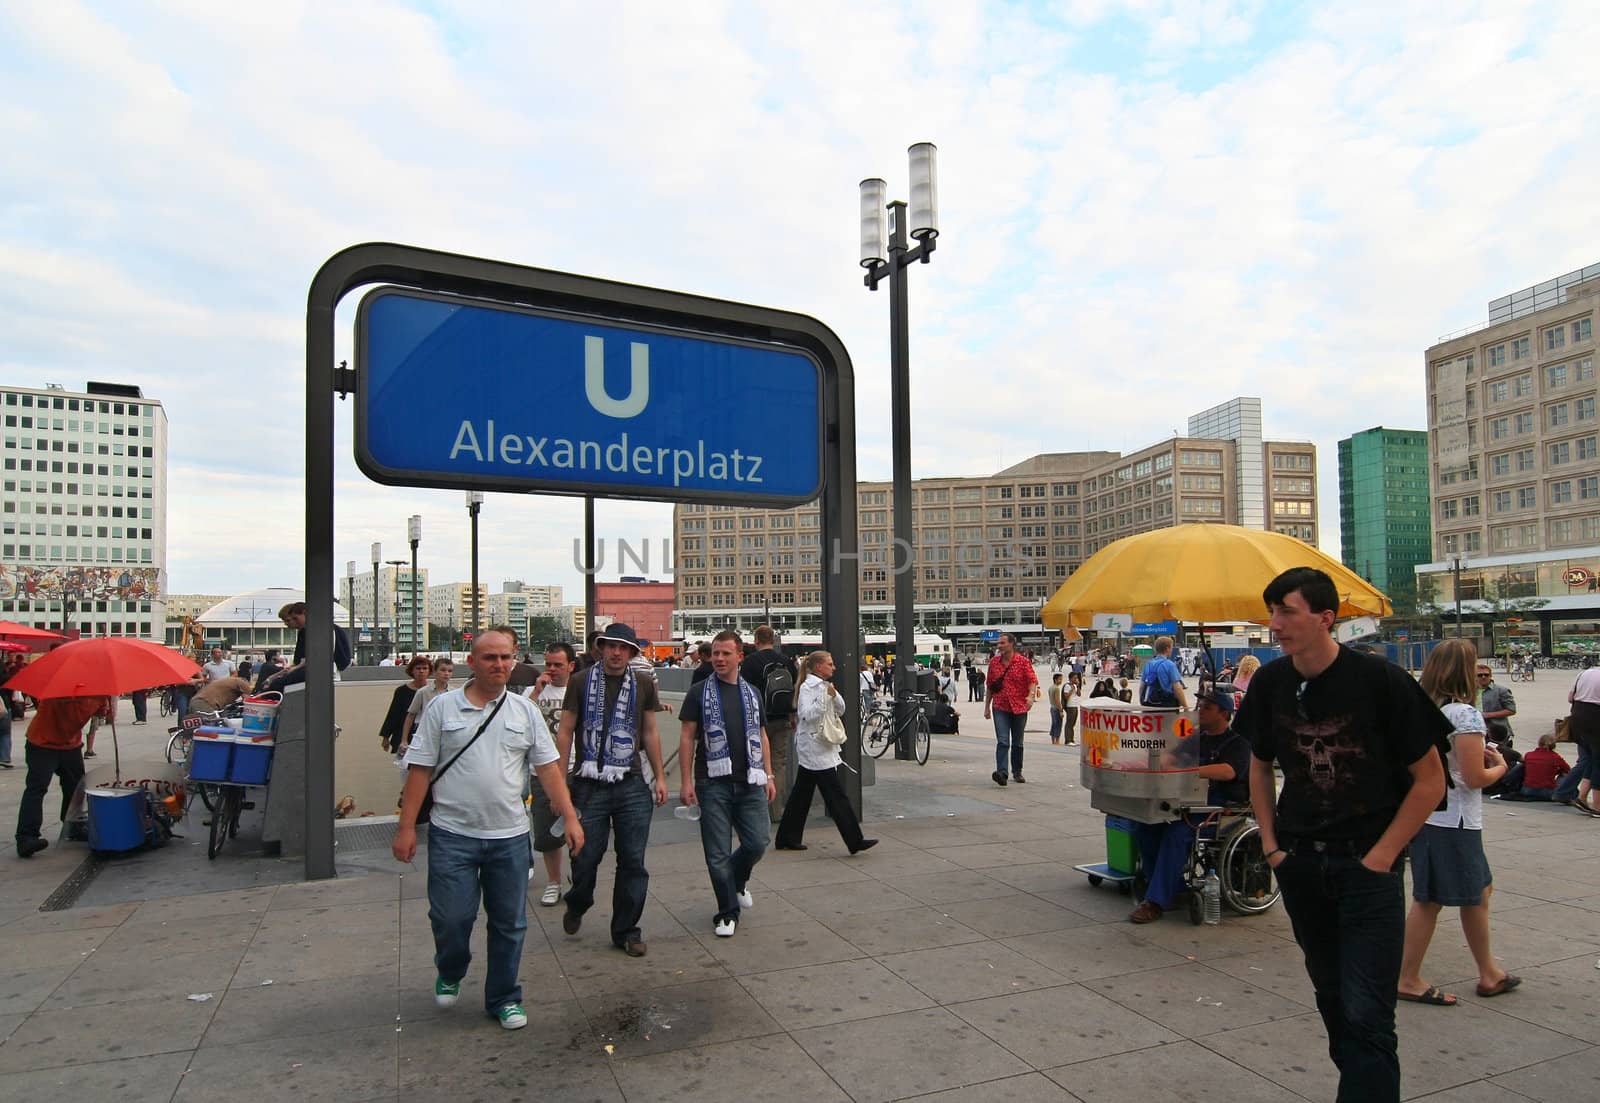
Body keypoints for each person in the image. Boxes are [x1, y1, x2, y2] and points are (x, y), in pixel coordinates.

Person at [1238, 567, 1449, 1101]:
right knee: (1333, 1000)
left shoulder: (1381, 682)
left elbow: (1430, 781)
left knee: (1368, 1013)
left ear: (1325, 617)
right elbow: (1259, 766)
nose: (1275, 623)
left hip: (1365, 868)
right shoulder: (1270, 682)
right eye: (1272, 611)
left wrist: (1381, 856)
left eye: (1287, 610)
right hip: (1302, 864)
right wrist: (1271, 845)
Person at [393, 630, 582, 1031]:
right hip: (452, 835)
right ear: (473, 662)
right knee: (451, 918)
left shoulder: (524, 711)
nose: (499, 665)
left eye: (506, 658)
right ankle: (451, 967)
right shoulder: (442, 709)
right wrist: (406, 828)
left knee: (509, 923)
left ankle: (503, 997)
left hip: (509, 836)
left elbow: (548, 768)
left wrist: (569, 816)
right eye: (490, 658)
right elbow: (421, 770)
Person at [1397, 639, 1518, 1006]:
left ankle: (1489, 971)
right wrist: (1500, 766)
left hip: (1430, 815)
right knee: (1430, 899)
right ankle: (1406, 976)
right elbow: (1473, 776)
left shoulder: (1420, 710)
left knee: (1477, 892)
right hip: (1455, 819)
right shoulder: (1463, 714)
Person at [556, 623, 668, 957]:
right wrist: (560, 785)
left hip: (631, 782)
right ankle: (578, 901)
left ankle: (626, 931)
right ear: (600, 649)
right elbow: (565, 732)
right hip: (589, 784)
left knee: (633, 860)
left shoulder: (644, 684)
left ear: (632, 653)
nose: (616, 653)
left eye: (623, 648)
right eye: (610, 646)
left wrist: (660, 777)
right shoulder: (579, 682)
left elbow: (650, 732)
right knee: (585, 857)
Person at [680, 629, 775, 937]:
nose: (719, 659)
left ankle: (736, 880)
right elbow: (686, 737)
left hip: (750, 780)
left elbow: (762, 736)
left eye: (725, 654)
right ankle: (726, 912)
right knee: (717, 852)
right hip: (712, 783)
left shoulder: (752, 693)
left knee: (758, 842)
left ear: (739, 657)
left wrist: (769, 775)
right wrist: (686, 781)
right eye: (716, 654)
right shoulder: (699, 692)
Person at [1129, 688, 1252, 923]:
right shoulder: (1196, 738)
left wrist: (1190, 771)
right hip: (1186, 802)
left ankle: (1155, 902)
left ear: (1224, 714)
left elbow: (1228, 771)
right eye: (1200, 706)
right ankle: (1171, 887)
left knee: (1177, 834)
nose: (1200, 711)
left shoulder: (1238, 743)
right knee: (1145, 826)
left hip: (1218, 808)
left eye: (1208, 707)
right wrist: (1156, 763)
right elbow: (1171, 757)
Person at [774, 650, 877, 855]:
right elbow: (806, 715)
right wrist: (823, 699)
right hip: (814, 747)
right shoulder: (807, 687)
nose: (834, 667)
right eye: (830, 664)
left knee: (802, 794)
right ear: (819, 666)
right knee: (835, 795)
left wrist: (833, 695)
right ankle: (854, 839)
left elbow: (841, 709)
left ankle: (787, 837)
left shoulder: (824, 686)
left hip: (820, 746)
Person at [15, 695, 108, 857]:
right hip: (42, 743)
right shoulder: (58, 688)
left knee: (76, 788)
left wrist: (105, 709)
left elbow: (102, 716)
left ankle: (73, 826)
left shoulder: (100, 694)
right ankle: (26, 837)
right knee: (37, 788)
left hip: (70, 745)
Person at [527, 642, 577, 906]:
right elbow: (519, 721)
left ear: (570, 665)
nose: (552, 669)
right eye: (548, 664)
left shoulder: (579, 690)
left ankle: (578, 876)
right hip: (542, 773)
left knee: (579, 826)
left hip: (575, 769)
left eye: (558, 664)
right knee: (546, 831)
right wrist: (536, 693)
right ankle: (554, 881)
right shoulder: (532, 694)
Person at [740, 625, 797, 821]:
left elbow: (743, 690)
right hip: (781, 717)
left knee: (756, 762)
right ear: (772, 640)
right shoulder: (785, 661)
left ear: (756, 640)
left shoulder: (749, 662)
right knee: (778, 764)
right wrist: (793, 715)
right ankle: (775, 810)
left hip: (757, 720)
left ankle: (755, 808)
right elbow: (794, 689)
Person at [984, 632, 1039, 786]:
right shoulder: (994, 663)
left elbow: (1032, 680)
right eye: (998, 643)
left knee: (1018, 742)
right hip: (1000, 706)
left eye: (1002, 643)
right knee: (1002, 741)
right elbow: (990, 686)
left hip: (1019, 707)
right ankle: (1002, 773)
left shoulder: (1023, 662)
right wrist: (987, 707)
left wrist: (1030, 696)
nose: (999, 646)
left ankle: (1017, 771)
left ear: (1011, 644)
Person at [261, 602, 353, 689]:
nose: (288, 624)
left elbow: (307, 660)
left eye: (294, 619)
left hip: (321, 674)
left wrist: (276, 677)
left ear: (305, 613)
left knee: (277, 685)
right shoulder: (327, 628)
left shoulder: (313, 630)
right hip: (328, 672)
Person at [1554, 658, 1600, 814]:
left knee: (1588, 760)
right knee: (1598, 763)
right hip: (1596, 721)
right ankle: (1596, 806)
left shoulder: (1584, 673)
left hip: (1578, 720)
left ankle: (1581, 796)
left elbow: (1570, 698)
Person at [401, 658, 455, 753]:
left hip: (446, 733)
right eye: (443, 670)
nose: (446, 673)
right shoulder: (423, 692)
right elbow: (411, 715)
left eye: (449, 671)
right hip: (424, 733)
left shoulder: (455, 693)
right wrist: (404, 740)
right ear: (434, 671)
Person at [380, 655, 431, 756]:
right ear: (412, 670)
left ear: (429, 671)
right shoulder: (402, 691)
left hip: (427, 735)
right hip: (404, 735)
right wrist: (386, 737)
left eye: (425, 668)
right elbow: (393, 714)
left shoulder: (432, 691)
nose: (421, 671)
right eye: (418, 668)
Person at [1511, 732, 1570, 800]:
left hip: (1527, 790)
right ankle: (1563, 794)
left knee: (1522, 765)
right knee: (1565, 774)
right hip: (1547, 792)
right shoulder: (1555, 757)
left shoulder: (1529, 755)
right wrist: (1558, 771)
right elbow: (1568, 769)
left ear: (1539, 743)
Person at [1140, 636, 1190, 710]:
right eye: (1171, 648)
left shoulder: (1148, 664)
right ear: (1167, 649)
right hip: (1166, 705)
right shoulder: (1169, 665)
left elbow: (1142, 686)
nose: (1171, 650)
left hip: (1150, 704)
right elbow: (1177, 688)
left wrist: (1142, 702)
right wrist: (1185, 706)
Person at [1477, 663, 1517, 748]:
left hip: (1498, 734)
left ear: (1490, 676)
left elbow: (1511, 710)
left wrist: (1487, 715)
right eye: (1480, 675)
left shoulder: (1502, 690)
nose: (1483, 677)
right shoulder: (1470, 692)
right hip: (1478, 732)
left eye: (1486, 675)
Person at [1061, 672, 1081, 745]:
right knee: (1069, 723)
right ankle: (1068, 740)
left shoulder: (1075, 686)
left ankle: (1071, 739)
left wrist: (1078, 686)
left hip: (1075, 705)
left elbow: (1079, 694)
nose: (1076, 679)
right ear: (1070, 678)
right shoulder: (1067, 686)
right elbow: (1066, 696)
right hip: (1070, 706)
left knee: (1073, 723)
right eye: (1074, 678)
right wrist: (1071, 690)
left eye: (1077, 678)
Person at [1047, 673, 1066, 745]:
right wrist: (1061, 710)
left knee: (1054, 724)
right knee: (1058, 724)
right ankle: (1057, 740)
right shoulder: (1057, 688)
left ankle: (1053, 740)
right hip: (1056, 708)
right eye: (1060, 679)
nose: (1061, 681)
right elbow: (1058, 700)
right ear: (1055, 680)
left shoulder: (1051, 687)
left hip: (1052, 707)